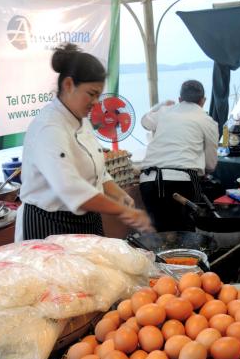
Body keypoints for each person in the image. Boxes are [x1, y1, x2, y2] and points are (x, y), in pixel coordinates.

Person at [15, 44, 152, 240]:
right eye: (92, 93)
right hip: (50, 226)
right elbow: (70, 187)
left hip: (86, 221)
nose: (96, 102)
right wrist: (124, 211)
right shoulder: (49, 128)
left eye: (99, 95)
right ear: (68, 85)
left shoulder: (81, 120)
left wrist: (118, 193)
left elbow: (97, 171)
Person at [138, 80, 219, 231]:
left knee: (159, 234)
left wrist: (161, 105)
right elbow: (211, 165)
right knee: (184, 234)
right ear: (203, 101)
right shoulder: (207, 121)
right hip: (182, 183)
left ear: (180, 99)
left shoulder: (165, 111)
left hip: (148, 182)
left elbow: (144, 121)